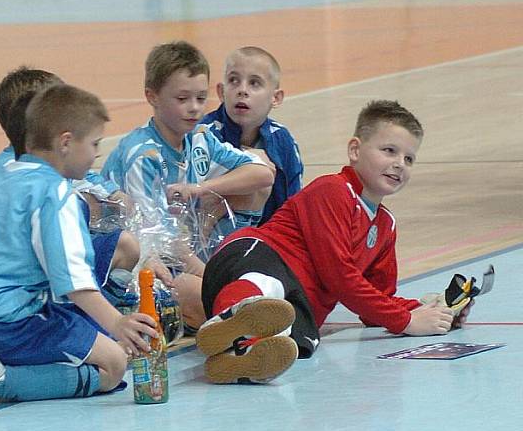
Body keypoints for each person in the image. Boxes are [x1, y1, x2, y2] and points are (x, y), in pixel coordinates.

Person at [196, 100, 469, 385]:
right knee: (269, 284)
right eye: (389, 150)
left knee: (299, 340)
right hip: (252, 256)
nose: (399, 163)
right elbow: (340, 275)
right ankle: (232, 316)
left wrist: (432, 313)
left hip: (296, 300)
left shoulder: (386, 226)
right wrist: (407, 322)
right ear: (355, 150)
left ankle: (238, 357)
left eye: (409, 159)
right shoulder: (333, 190)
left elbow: (376, 301)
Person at [0, 85, 157, 406]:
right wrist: (117, 322)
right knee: (113, 364)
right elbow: (74, 281)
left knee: (73, 332)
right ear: (66, 142)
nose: (96, 154)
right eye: (94, 144)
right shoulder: (54, 192)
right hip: (0, 324)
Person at [102, 41, 275, 328]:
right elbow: (156, 239)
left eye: (200, 98)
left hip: (182, 248)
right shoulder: (143, 155)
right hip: (144, 261)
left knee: (255, 175)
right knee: (207, 298)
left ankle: (235, 307)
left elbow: (263, 173)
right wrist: (210, 276)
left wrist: (202, 189)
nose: (194, 109)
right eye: (182, 99)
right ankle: (236, 326)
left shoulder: (199, 137)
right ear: (152, 96)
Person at [0, 66, 142, 305]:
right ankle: (95, 316)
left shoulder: (14, 165)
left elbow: (106, 193)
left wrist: (108, 198)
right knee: (124, 246)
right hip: (8, 282)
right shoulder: (29, 171)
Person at [202, 46, 303, 227]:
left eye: (254, 83)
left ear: (276, 98)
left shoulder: (283, 140)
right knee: (259, 165)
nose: (242, 90)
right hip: (210, 237)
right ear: (221, 92)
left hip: (268, 238)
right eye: (234, 80)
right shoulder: (204, 135)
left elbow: (293, 205)